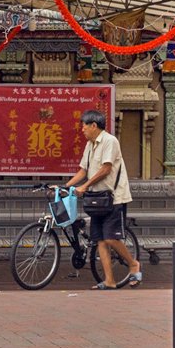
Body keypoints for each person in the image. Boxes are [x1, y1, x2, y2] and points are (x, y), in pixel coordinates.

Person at [67, 109, 142, 291]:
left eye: (84, 126)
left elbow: (106, 169)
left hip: (113, 197)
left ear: (94, 125)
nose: (82, 130)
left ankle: (133, 264)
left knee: (110, 238)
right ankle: (109, 280)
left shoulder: (110, 141)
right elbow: (83, 170)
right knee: (100, 240)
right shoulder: (90, 145)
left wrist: (84, 186)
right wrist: (66, 186)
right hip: (97, 198)